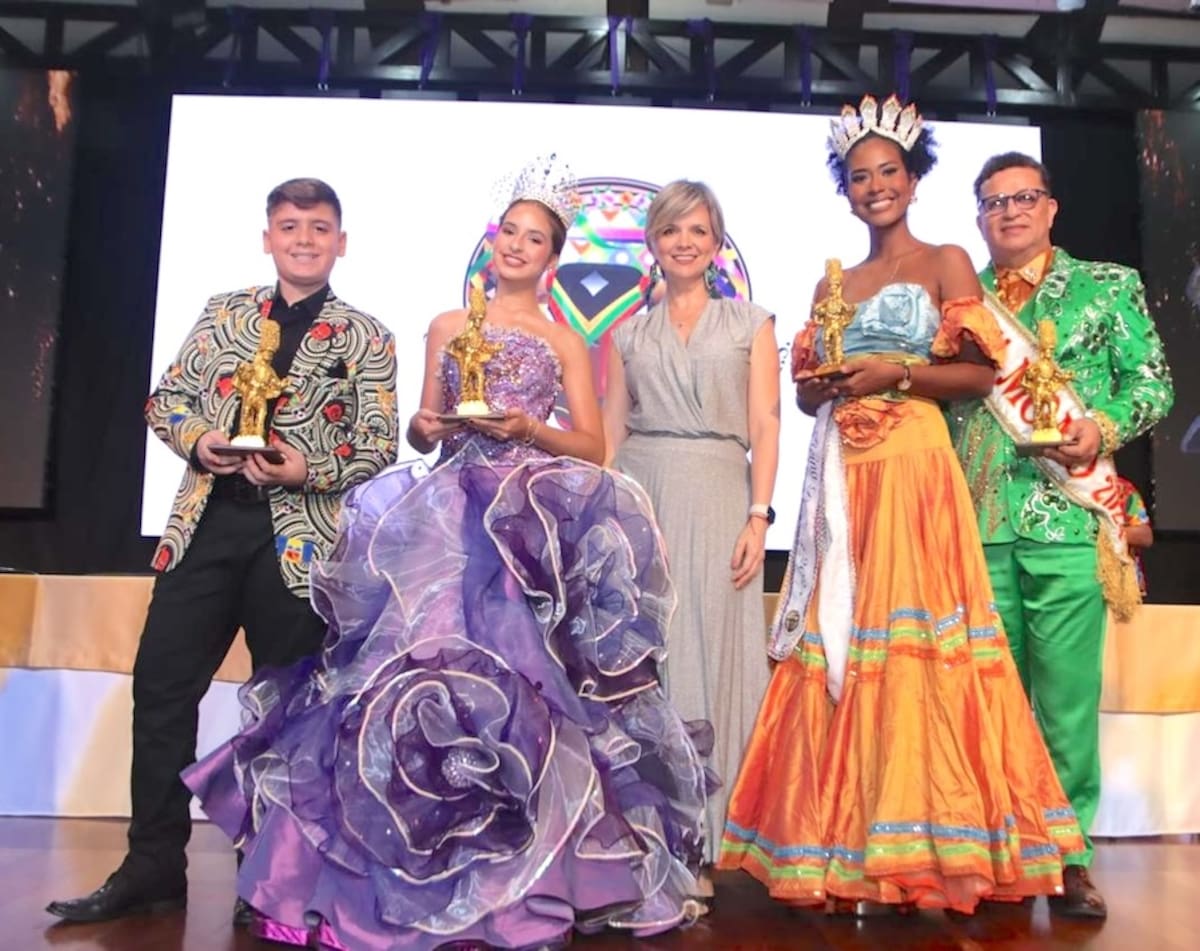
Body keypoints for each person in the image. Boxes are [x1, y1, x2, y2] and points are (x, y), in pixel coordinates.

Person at [181, 155, 713, 950]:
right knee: (407, 673)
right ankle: (379, 869)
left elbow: (594, 446)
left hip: (522, 528)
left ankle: (527, 882)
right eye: (511, 233)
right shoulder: (445, 325)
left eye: (537, 239)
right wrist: (433, 427)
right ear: (493, 242)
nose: (519, 247)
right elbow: (423, 424)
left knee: (528, 688)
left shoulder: (567, 338)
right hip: (445, 514)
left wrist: (524, 428)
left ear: (554, 257)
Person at [718, 95, 1086, 915]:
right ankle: (852, 842)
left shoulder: (948, 259)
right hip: (849, 473)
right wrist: (822, 385)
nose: (876, 187)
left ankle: (943, 842)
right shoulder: (832, 279)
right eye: (860, 177)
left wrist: (898, 374)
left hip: (917, 467)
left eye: (889, 172)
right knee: (845, 642)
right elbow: (809, 393)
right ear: (845, 192)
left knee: (921, 649)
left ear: (914, 181)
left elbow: (981, 377)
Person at [46, 179, 399, 925]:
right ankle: (151, 867)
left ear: (342, 242)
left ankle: (267, 879)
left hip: (297, 544)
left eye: (319, 227)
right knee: (163, 689)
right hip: (208, 526)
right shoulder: (224, 313)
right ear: (267, 236)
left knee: (286, 709)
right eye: (290, 225)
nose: (304, 238)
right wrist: (201, 440)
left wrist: (306, 468)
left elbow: (378, 446)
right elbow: (165, 400)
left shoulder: (368, 336)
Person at [948, 151, 1174, 916]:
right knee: (989, 700)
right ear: (977, 218)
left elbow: (1153, 382)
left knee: (1067, 703)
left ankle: (1070, 856)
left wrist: (1099, 426)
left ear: (1051, 208)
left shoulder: (1107, 286)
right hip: (977, 521)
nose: (1008, 211)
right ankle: (1004, 853)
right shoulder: (961, 299)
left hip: (1067, 518)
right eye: (992, 202)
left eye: (1023, 197)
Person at [602, 181, 780, 889]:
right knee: (653, 655)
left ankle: (714, 835)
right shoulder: (627, 333)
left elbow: (766, 422)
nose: (685, 242)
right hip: (645, 488)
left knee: (715, 650)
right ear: (653, 238)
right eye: (673, 229)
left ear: (716, 242)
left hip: (718, 486)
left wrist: (760, 514)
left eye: (699, 231)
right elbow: (613, 429)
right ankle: (656, 834)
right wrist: (615, 516)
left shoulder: (750, 322)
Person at [1117, 476, 1153, 596]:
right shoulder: (1059, 491)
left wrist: (1105, 533)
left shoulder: (1122, 489)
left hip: (1122, 589)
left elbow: (1145, 536)